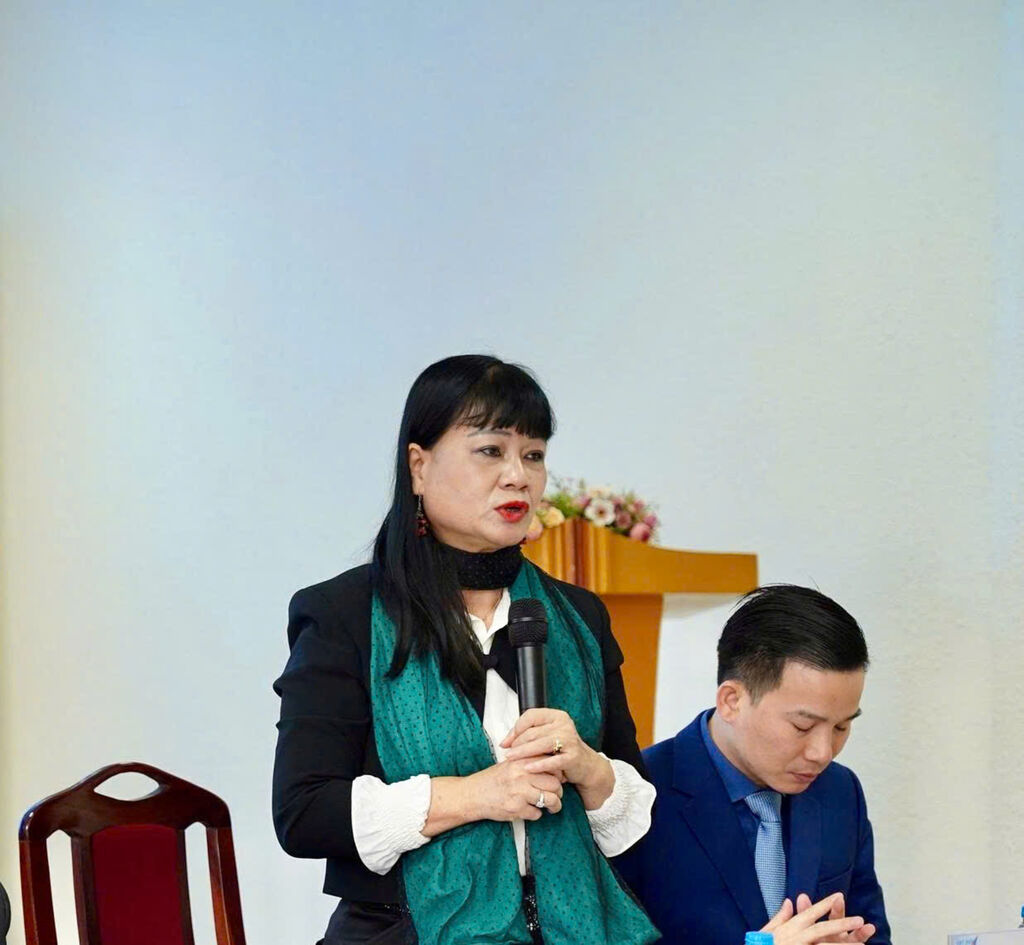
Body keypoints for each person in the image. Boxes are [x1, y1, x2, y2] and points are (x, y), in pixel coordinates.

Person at [272, 355, 660, 945]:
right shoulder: (343, 614)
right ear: (419, 467)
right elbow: (304, 813)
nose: (518, 476)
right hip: (400, 930)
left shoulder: (579, 616)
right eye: (491, 451)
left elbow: (635, 821)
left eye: (534, 455)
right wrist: (474, 795)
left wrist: (588, 767)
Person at [614, 584, 892, 945]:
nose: (823, 753)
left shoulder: (840, 791)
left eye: (841, 727)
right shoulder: (633, 796)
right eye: (802, 726)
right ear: (732, 701)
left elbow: (871, 931)